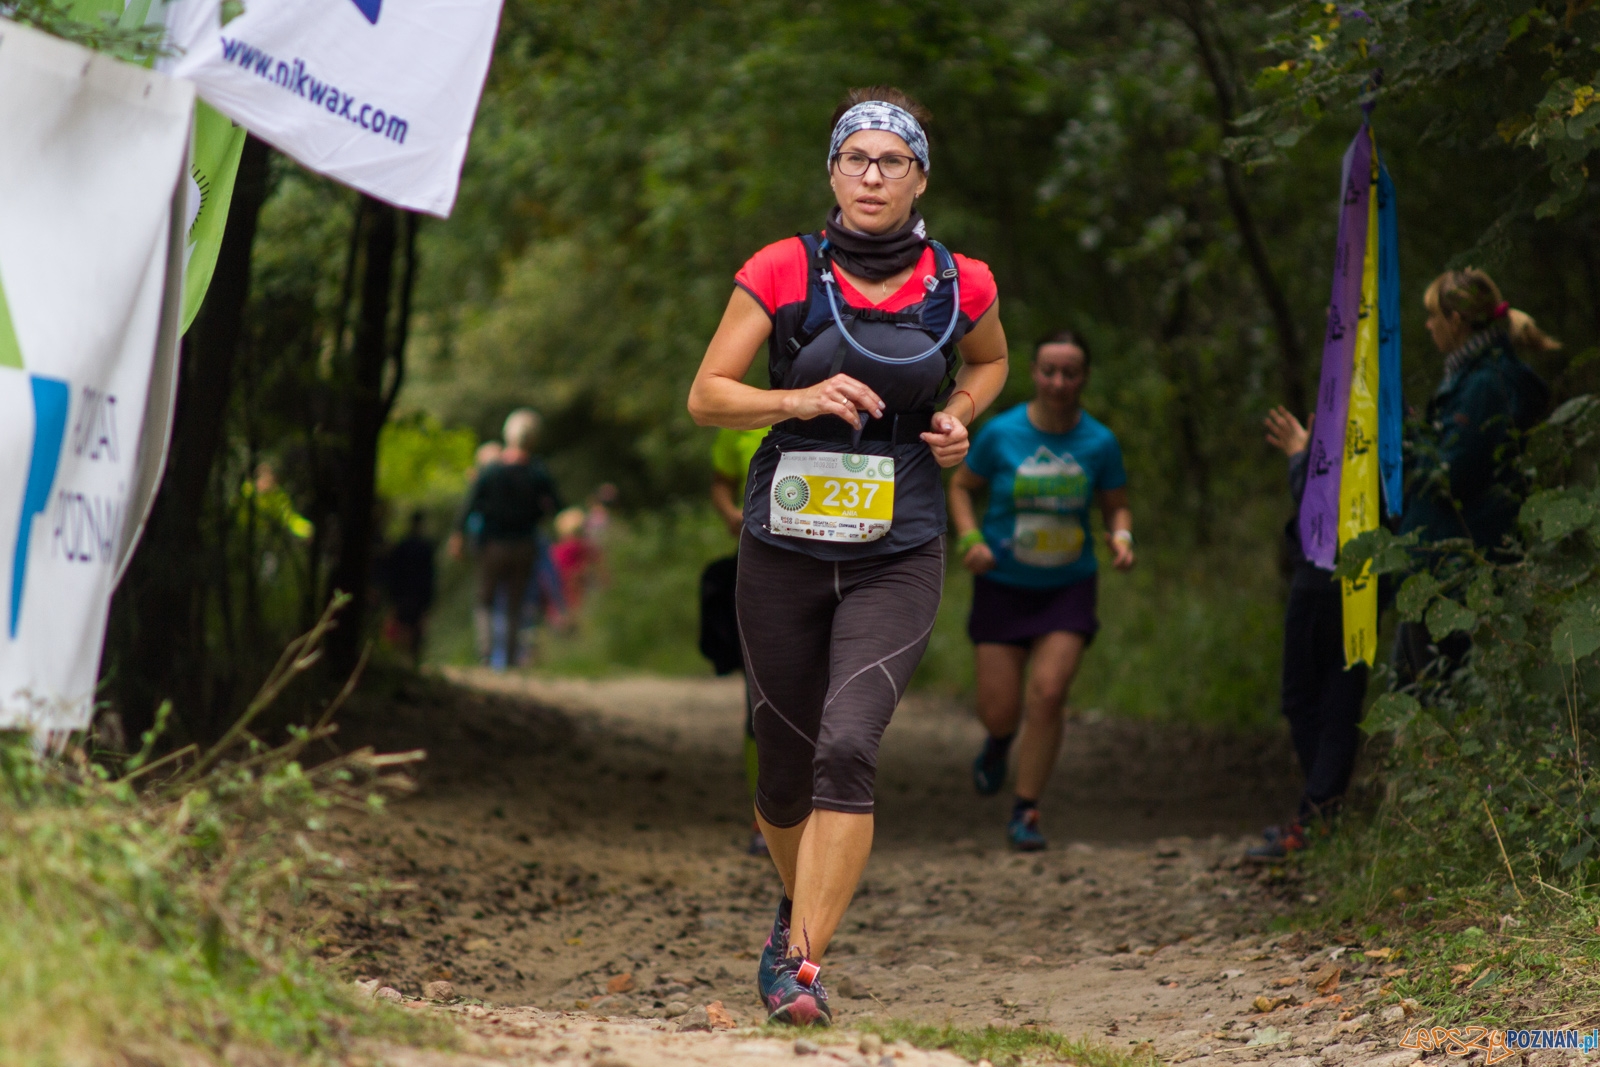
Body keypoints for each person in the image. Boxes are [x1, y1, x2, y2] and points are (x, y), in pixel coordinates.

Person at [686, 86, 1009, 1025]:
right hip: (783, 544)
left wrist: (959, 417)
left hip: (898, 548)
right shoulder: (783, 269)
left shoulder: (963, 281)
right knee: (783, 772)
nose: (873, 176)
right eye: (856, 159)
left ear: (919, 176)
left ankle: (802, 966)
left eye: (892, 161)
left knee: (848, 745)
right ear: (832, 170)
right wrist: (796, 399)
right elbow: (708, 395)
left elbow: (989, 363)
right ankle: (796, 906)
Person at [948, 332, 1133, 852]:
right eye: (1049, 370)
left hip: (1067, 586)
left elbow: (1116, 504)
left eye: (1069, 373)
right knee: (1000, 709)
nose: (1058, 382)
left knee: (1049, 695)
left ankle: (1025, 809)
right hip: (1003, 583)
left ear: (1084, 379)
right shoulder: (1001, 433)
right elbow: (962, 488)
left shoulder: (1099, 442)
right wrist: (970, 538)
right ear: (1034, 372)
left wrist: (1122, 536)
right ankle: (999, 742)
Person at [1394, 269, 1552, 682]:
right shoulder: (1469, 378)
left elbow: (1452, 473)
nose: (1428, 326)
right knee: (1414, 686)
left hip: (1457, 570)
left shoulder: (1485, 383)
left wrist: (1409, 444)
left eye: (1433, 317)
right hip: (1445, 565)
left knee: (1438, 695)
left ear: (1456, 321)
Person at [1244, 407, 1366, 861]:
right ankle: (1321, 813)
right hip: (1355, 582)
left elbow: (1321, 509)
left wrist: (1300, 455)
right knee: (1334, 698)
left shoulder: (1362, 427)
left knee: (1314, 700)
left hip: (1324, 583)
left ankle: (1320, 816)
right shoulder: (1381, 417)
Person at [702, 426, 772, 856]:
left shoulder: (856, 404)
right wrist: (731, 513)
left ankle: (828, 813)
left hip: (839, 567)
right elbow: (720, 484)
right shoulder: (743, 417)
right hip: (760, 561)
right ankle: (764, 816)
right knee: (761, 704)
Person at [449, 409, 561, 670]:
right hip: (525, 545)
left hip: (493, 546)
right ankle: (509, 661)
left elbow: (469, 504)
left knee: (485, 601)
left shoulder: (492, 471)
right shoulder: (537, 473)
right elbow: (556, 506)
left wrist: (458, 536)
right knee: (515, 603)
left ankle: (486, 656)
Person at [381, 509, 438, 665]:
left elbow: (392, 573)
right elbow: (429, 576)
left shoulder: (403, 546)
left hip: (404, 595)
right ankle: (408, 663)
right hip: (415, 596)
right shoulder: (424, 548)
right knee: (410, 630)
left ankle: (402, 663)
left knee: (404, 628)